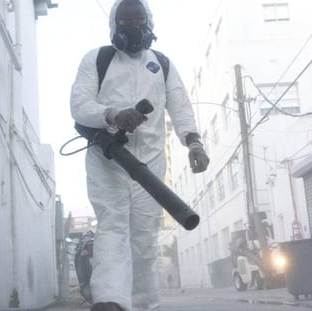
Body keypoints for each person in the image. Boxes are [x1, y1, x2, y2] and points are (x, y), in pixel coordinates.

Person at [70, 1, 209, 311]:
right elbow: (79, 106)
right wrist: (114, 115)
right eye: (125, 20)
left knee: (144, 235)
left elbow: (180, 106)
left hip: (150, 162)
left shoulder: (162, 64)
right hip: (108, 158)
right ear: (113, 25)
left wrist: (194, 143)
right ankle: (110, 300)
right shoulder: (98, 59)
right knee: (114, 224)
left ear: (149, 22)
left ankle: (144, 304)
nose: (132, 24)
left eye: (138, 18)